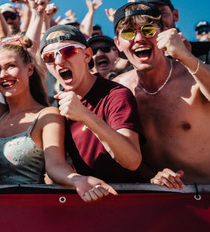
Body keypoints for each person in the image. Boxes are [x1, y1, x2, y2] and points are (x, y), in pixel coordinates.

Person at [112, 2, 210, 187]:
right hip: (159, 201)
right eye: (129, 33)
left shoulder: (198, 75)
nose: (139, 39)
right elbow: (123, 150)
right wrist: (152, 176)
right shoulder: (118, 89)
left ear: (165, 33)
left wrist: (185, 57)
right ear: (118, 44)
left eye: (148, 30)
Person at [0, 38, 117, 200]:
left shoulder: (48, 115)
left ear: (29, 69)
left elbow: (55, 164)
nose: (3, 75)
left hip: (29, 206)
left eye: (11, 66)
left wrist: (78, 180)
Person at [40, 24, 143, 183]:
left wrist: (85, 116)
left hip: (124, 199)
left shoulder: (115, 94)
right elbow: (55, 167)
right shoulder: (58, 106)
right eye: (49, 57)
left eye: (68, 51)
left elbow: (132, 160)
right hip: (84, 199)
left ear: (87, 55)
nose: (59, 61)